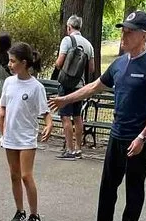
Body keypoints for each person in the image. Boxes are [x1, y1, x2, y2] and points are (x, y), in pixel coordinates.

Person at [49, 10, 146, 221]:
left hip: (138, 137)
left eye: (130, 32)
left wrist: (143, 136)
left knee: (134, 185)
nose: (124, 36)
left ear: (143, 36)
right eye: (123, 31)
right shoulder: (120, 63)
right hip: (117, 133)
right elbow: (94, 86)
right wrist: (65, 99)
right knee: (108, 184)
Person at [0, 42, 53, 221]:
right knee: (14, 175)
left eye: (13, 61)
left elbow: (45, 112)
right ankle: (20, 211)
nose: (9, 65)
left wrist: (49, 124)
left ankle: (35, 215)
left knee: (26, 176)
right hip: (10, 135)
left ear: (24, 63)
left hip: (26, 137)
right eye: (9, 61)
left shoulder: (36, 87)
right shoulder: (9, 83)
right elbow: (3, 106)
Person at [55, 15, 95, 160]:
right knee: (78, 117)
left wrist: (59, 65)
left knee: (65, 116)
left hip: (66, 85)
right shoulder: (88, 45)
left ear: (69, 27)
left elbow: (59, 63)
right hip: (80, 85)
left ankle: (69, 149)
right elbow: (92, 68)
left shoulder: (67, 40)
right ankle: (78, 149)